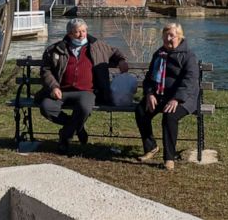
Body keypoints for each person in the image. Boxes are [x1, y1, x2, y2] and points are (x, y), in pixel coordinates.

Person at [36, 18, 129, 153]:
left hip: (87, 91)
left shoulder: (98, 46)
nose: (82, 34)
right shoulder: (55, 49)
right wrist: (54, 86)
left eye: (84, 31)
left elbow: (115, 52)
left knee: (84, 108)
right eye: (77, 32)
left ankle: (65, 136)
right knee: (46, 107)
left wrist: (121, 60)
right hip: (62, 90)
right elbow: (46, 71)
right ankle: (77, 127)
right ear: (69, 34)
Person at [135, 22, 199, 171]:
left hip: (184, 98)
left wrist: (176, 99)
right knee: (141, 111)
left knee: (169, 117)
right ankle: (151, 147)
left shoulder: (188, 55)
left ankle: (169, 158)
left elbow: (189, 81)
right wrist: (150, 93)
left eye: (171, 35)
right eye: (165, 35)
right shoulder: (159, 54)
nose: (168, 38)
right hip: (160, 95)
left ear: (180, 36)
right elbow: (149, 78)